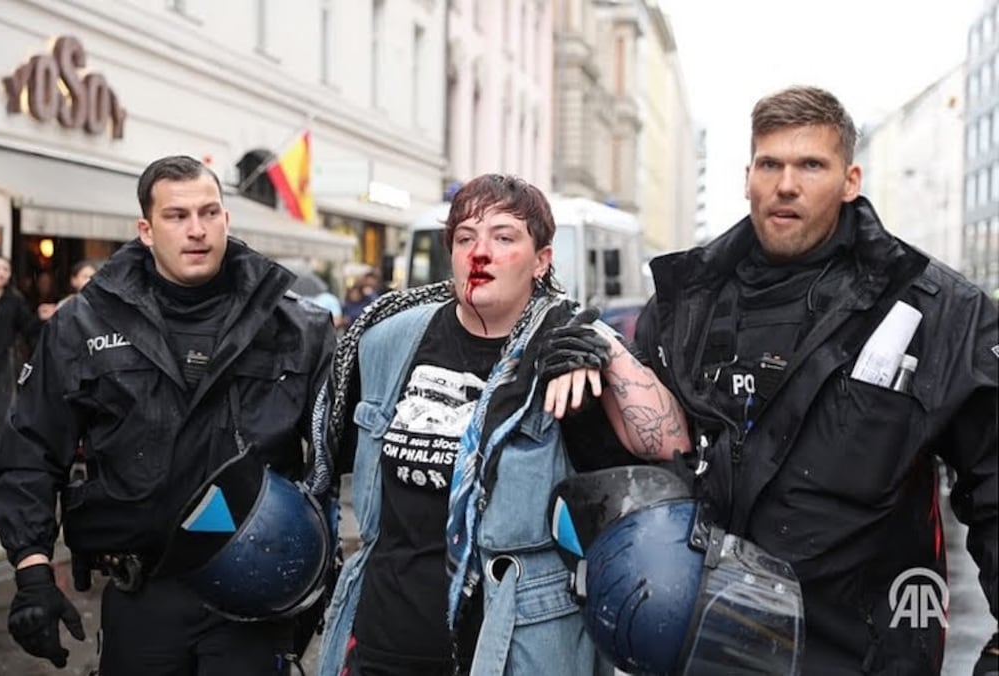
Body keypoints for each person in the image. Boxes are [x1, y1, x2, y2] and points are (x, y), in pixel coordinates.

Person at [633, 85, 998, 675]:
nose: (786, 183)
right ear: (747, 176)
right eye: (770, 163)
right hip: (705, 652)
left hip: (861, 655)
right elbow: (634, 463)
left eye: (811, 165)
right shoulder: (687, 305)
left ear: (850, 180)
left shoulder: (935, 311)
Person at [314, 173, 690, 676]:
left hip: (510, 651)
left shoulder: (570, 349)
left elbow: (670, 442)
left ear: (541, 260)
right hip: (385, 643)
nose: (480, 252)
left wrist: (606, 349)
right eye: (465, 237)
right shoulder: (388, 338)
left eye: (504, 237)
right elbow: (330, 457)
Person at [0, 155, 337, 674]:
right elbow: (31, 450)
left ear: (226, 219)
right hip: (142, 595)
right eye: (176, 216)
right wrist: (33, 570)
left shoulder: (295, 327)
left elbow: (337, 457)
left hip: (254, 596)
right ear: (146, 230)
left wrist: (323, 574)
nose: (196, 230)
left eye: (209, 212)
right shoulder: (83, 325)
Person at [0, 253, 53, 488]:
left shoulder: (14, 301)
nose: (1, 273)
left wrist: (42, 319)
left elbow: (30, 330)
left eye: (6, 270)